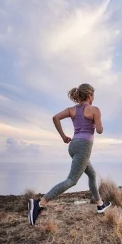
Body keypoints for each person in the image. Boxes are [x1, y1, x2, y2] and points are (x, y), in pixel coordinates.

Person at [28, 83, 111, 226]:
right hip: (84, 147)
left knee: (92, 175)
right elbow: (100, 130)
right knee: (72, 180)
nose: (94, 98)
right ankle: (39, 203)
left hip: (72, 146)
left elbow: (55, 118)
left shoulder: (72, 110)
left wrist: (63, 136)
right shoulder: (94, 110)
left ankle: (100, 204)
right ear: (90, 95)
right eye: (93, 95)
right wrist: (99, 121)